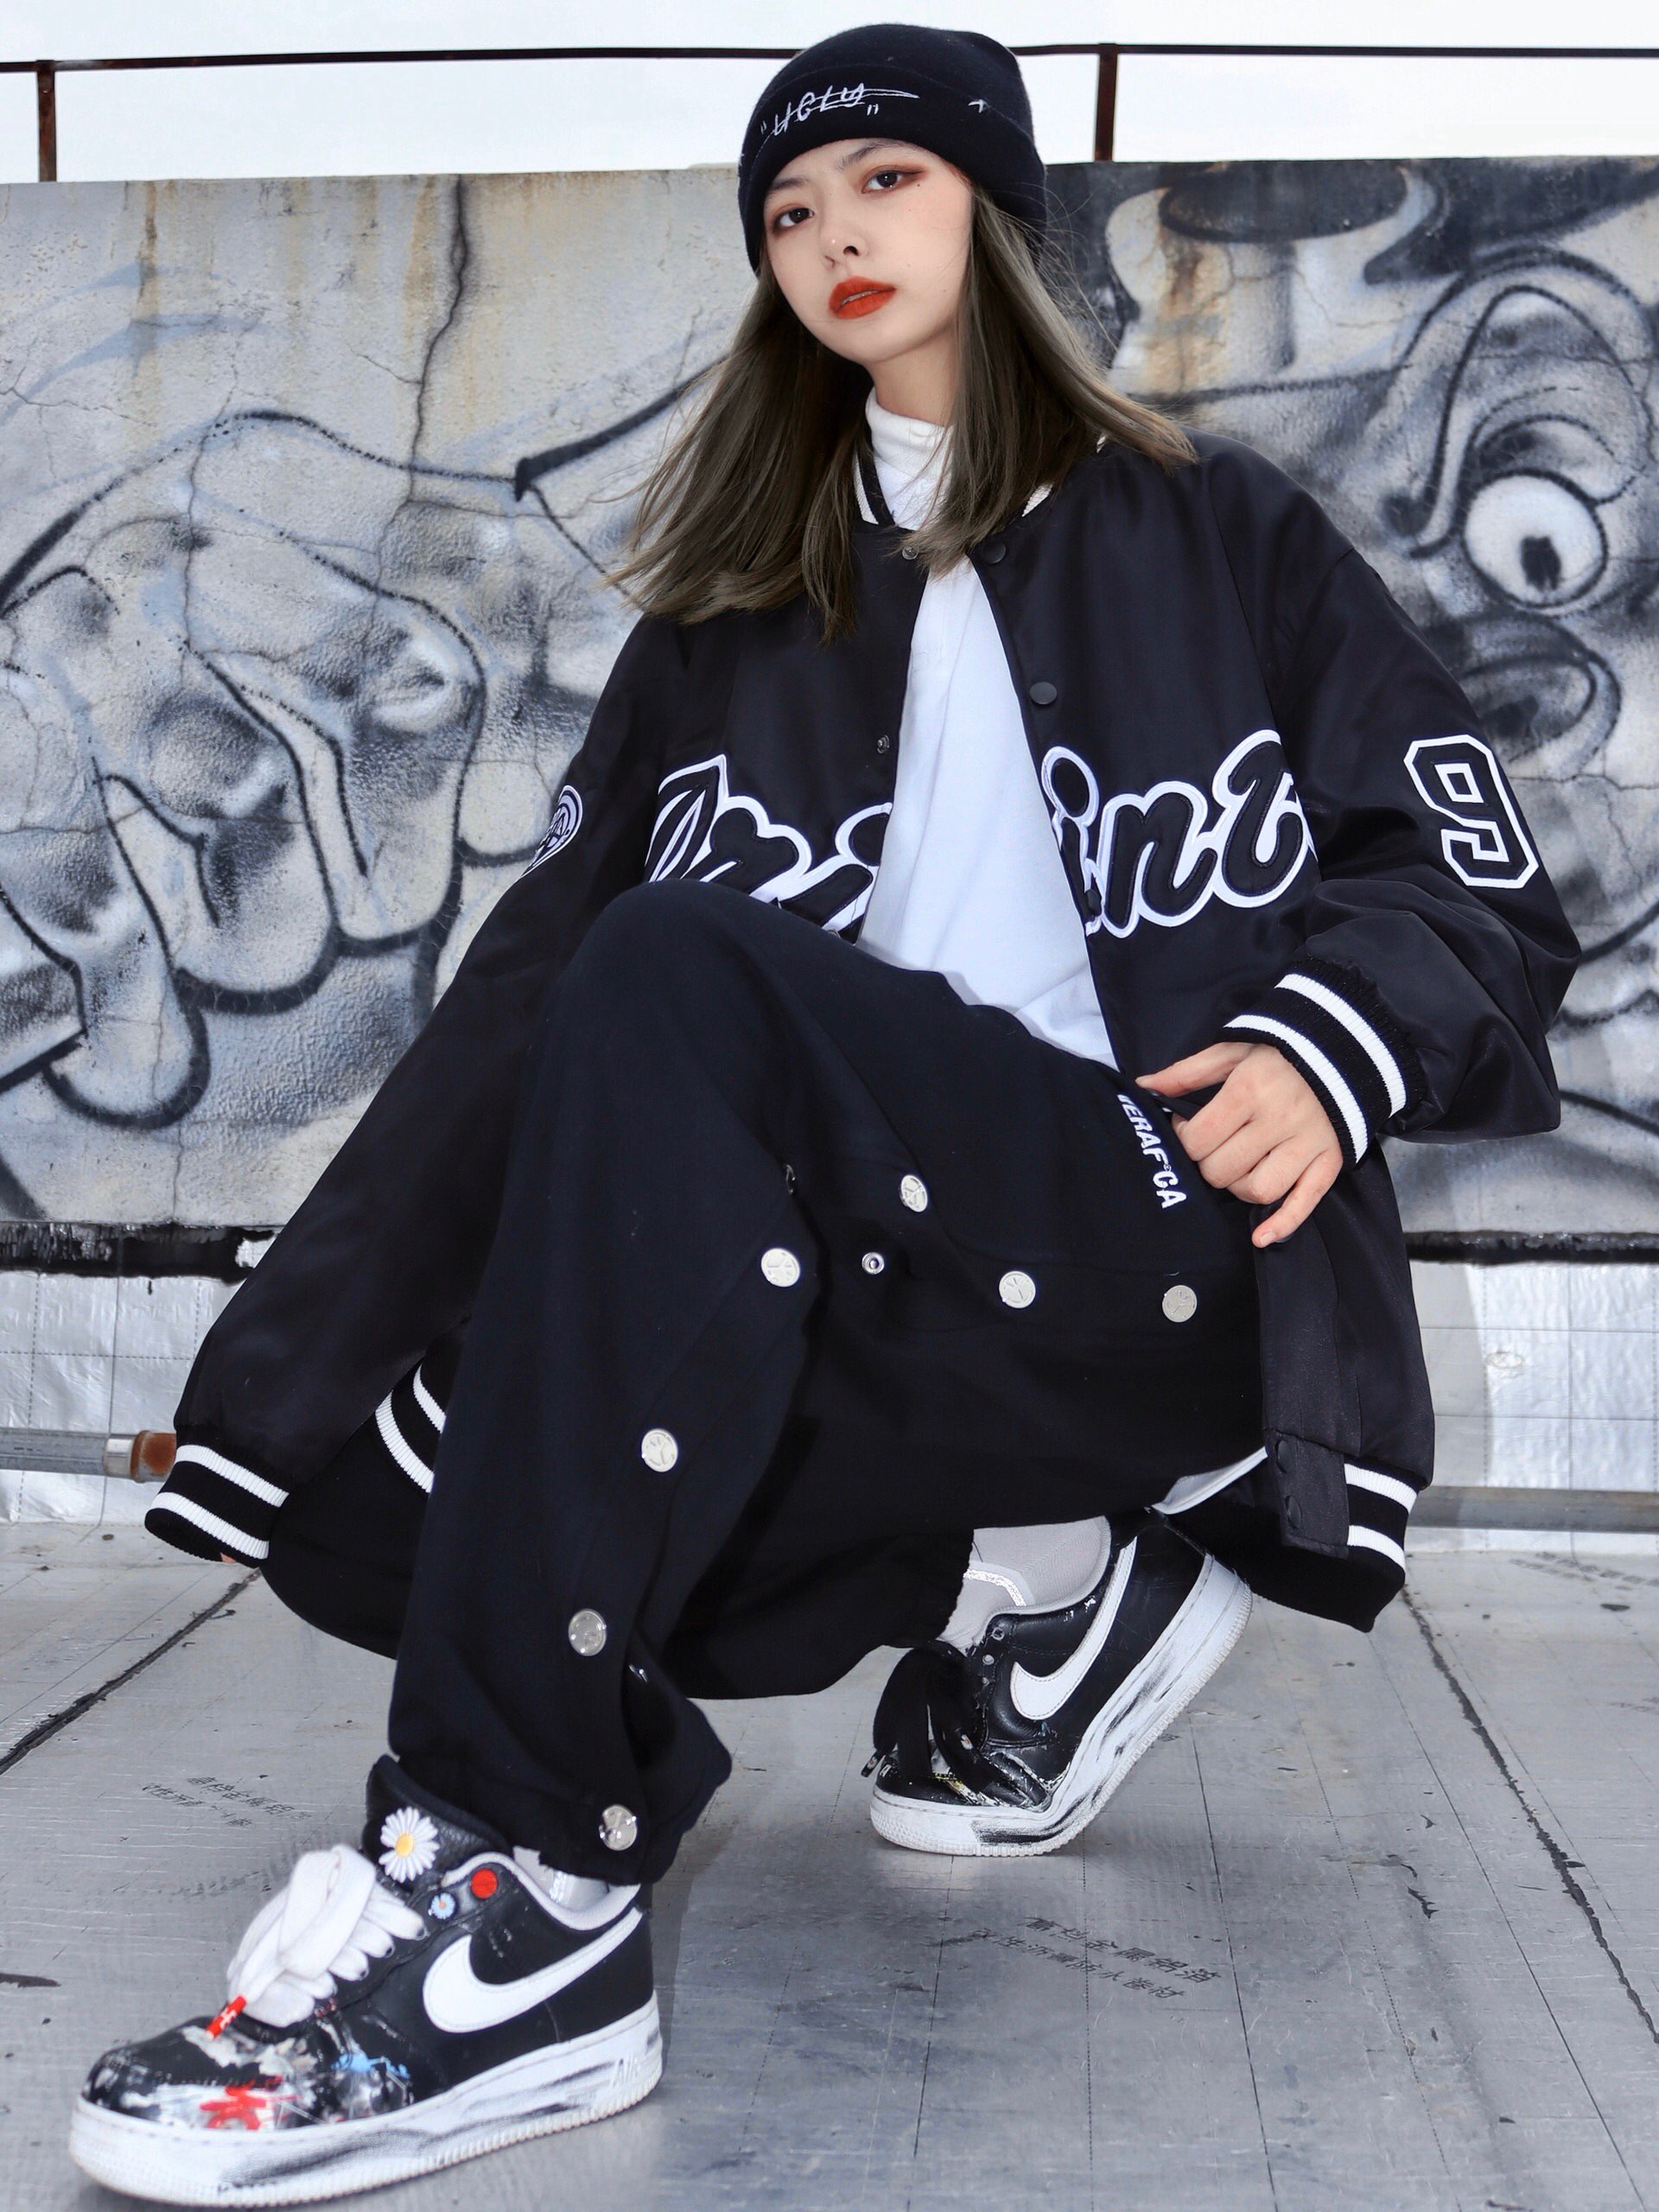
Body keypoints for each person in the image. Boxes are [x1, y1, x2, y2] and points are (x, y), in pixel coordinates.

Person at [68, 23, 1578, 2206]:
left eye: (885, 180)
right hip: (876, 1277)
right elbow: (517, 1013)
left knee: (678, 969)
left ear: (1001, 211)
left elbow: (1476, 879)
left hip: (1148, 1225)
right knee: (367, 1506)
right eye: (788, 209)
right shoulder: (731, 621)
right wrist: (280, 1379)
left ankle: (520, 1894)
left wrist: (1327, 1039)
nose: (830, 234)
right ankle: (1049, 1572)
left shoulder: (1218, 525)